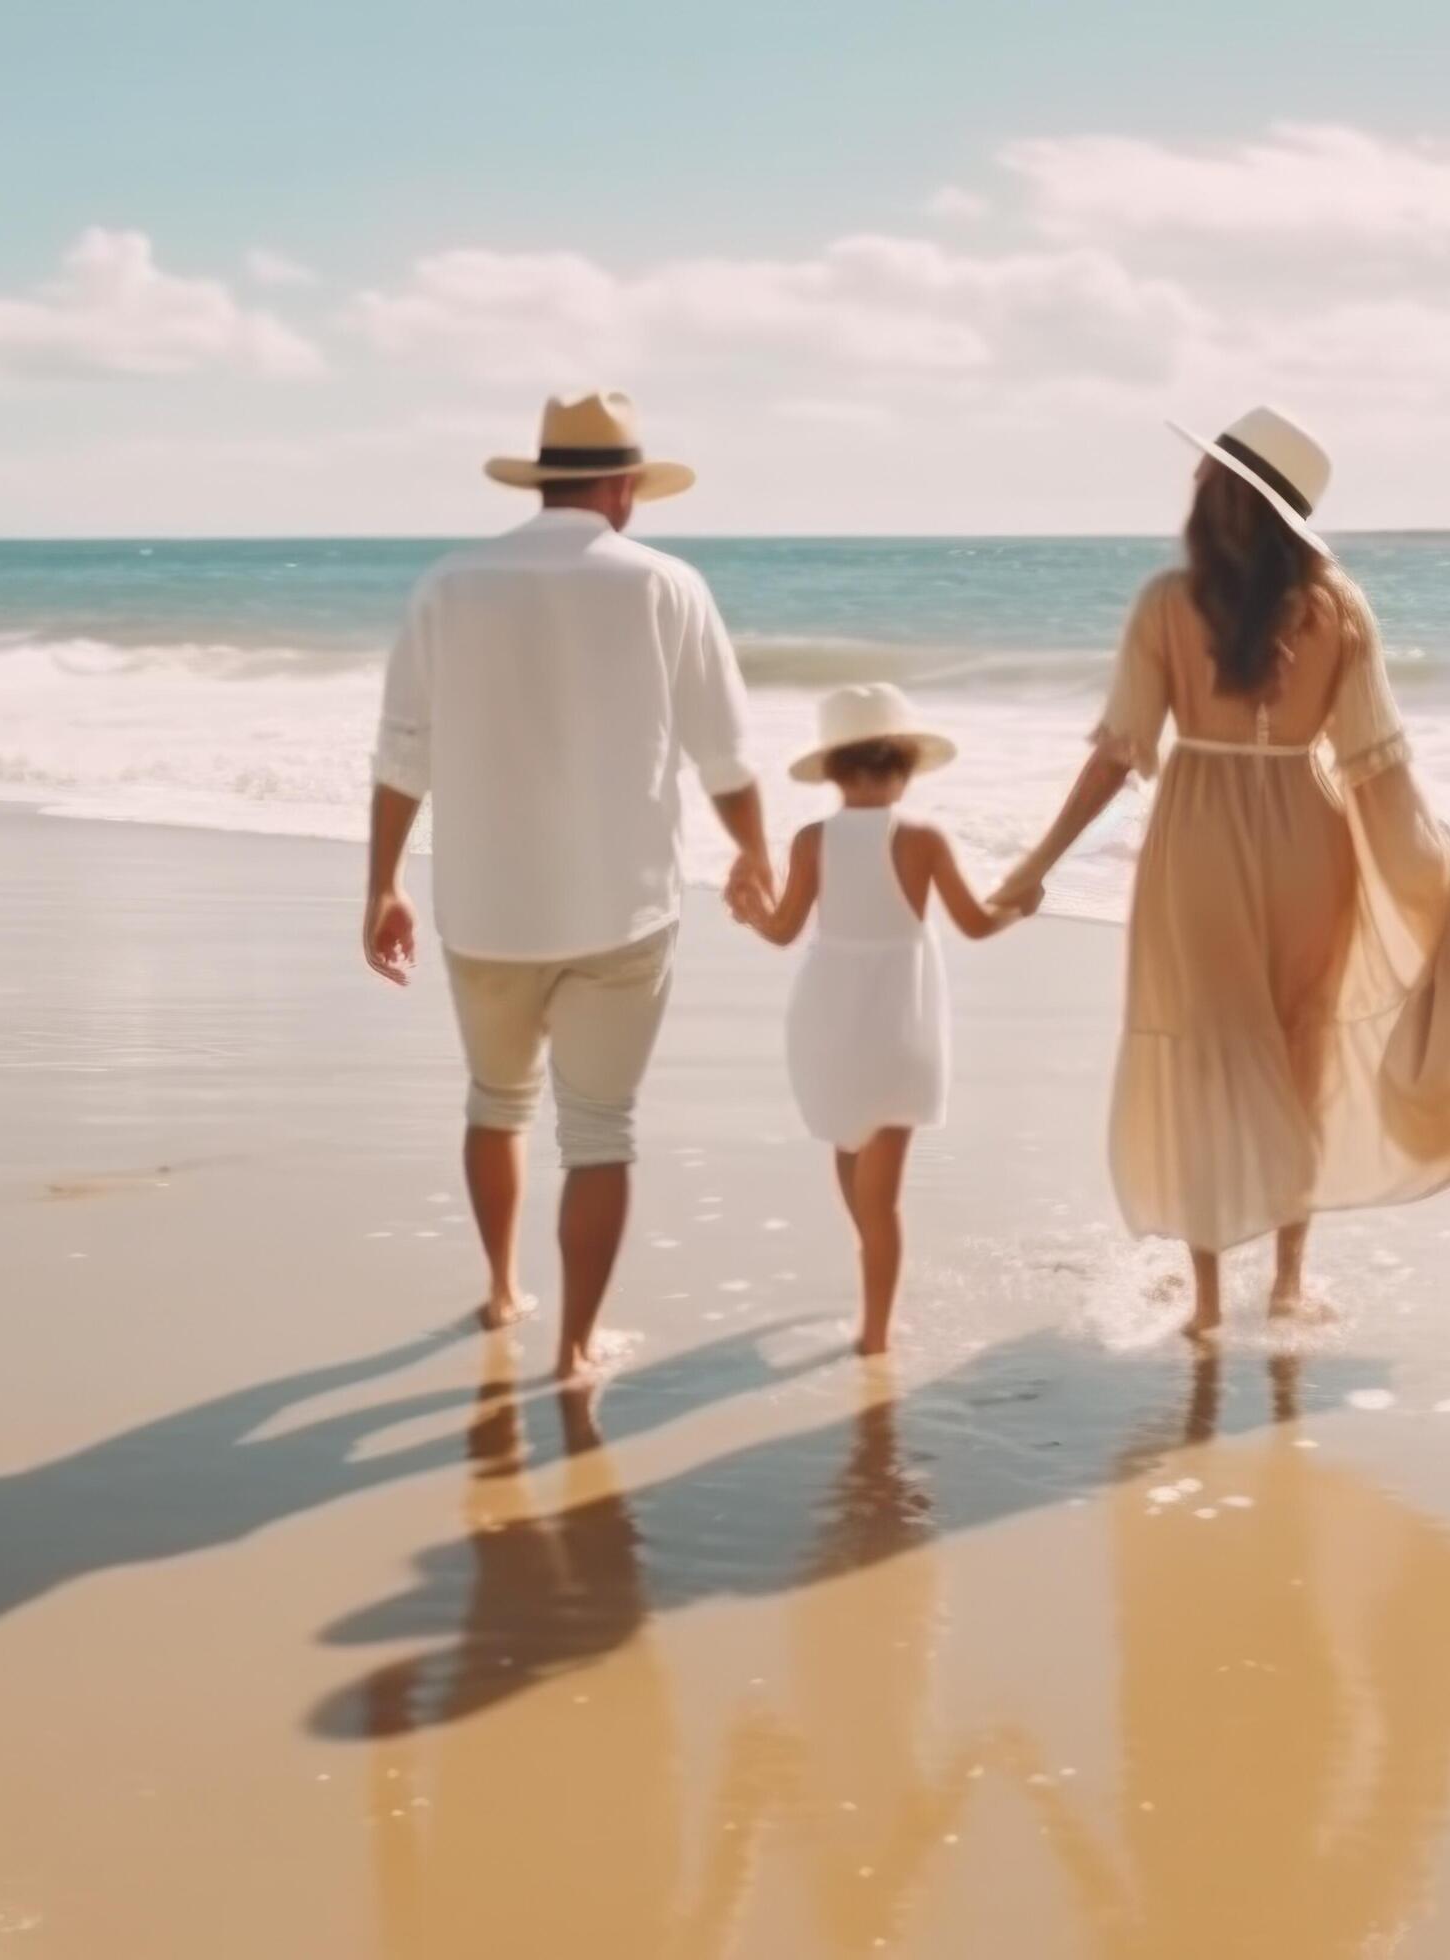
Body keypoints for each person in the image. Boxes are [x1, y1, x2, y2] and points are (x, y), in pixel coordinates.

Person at [994, 406, 1450, 1338]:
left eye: (1202, 476)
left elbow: (1118, 754)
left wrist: (1037, 864)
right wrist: (1432, 872)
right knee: (1301, 1056)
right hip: (1311, 843)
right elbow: (1376, 764)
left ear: (1220, 494)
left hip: (1196, 841)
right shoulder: (1339, 605)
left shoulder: (1164, 601)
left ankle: (1201, 1301)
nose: (1191, 486)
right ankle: (1285, 1283)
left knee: (1207, 1059)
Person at [364, 389, 774, 1381]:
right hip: (621, 907)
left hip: (485, 906)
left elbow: (401, 752)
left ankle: (502, 1287)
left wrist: (381, 884)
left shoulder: (448, 584)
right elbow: (724, 753)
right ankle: (576, 1346)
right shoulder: (667, 585)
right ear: (626, 487)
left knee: (495, 1100)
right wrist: (755, 854)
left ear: (545, 477)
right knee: (599, 1128)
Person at [750, 684, 1033, 1355]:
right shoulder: (922, 840)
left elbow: (782, 930)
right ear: (904, 769)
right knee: (884, 1198)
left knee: (848, 1154)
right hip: (901, 1026)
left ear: (832, 771)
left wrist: (750, 909)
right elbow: (974, 924)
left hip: (828, 1020)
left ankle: (873, 1298)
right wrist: (1024, 902)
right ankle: (875, 1333)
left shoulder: (811, 840)